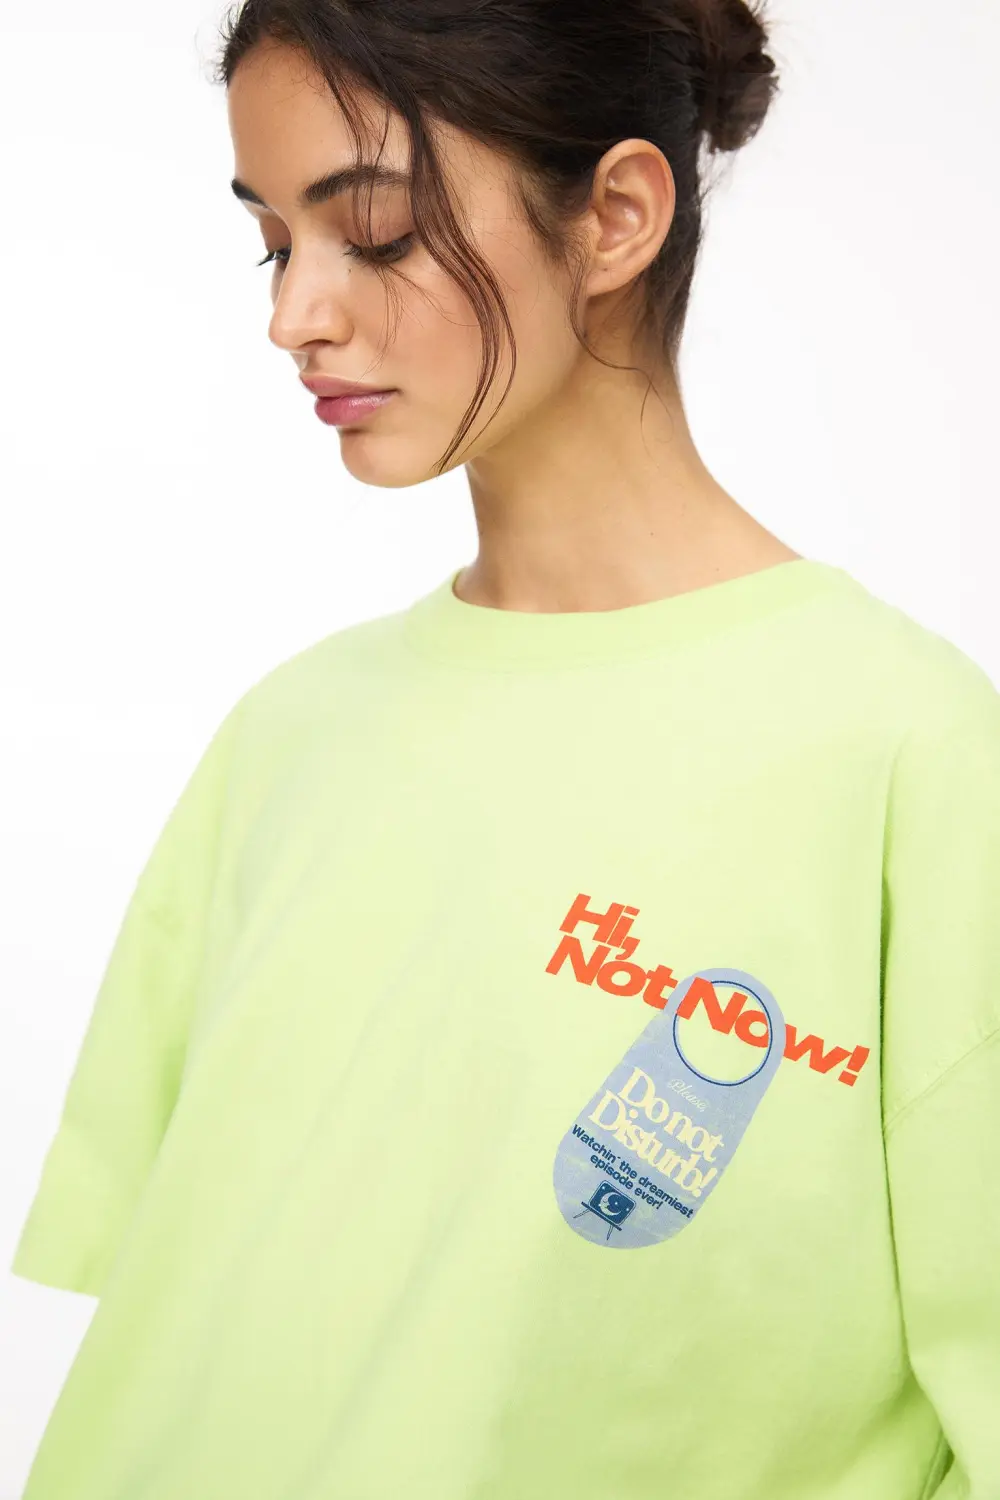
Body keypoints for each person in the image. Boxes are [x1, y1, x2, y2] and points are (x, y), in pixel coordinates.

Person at [11, 2, 1000, 1497]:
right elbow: (197, 1329)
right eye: (274, 243)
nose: (294, 316)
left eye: (377, 233)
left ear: (616, 216)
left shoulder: (907, 757)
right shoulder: (288, 739)